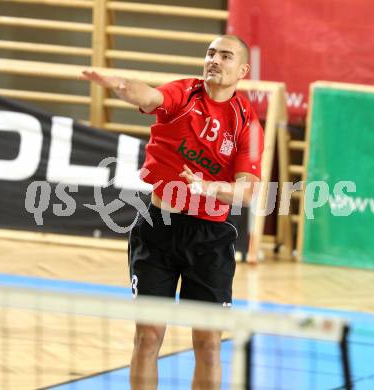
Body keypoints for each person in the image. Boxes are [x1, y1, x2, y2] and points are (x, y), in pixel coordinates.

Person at [81, 34, 264, 390]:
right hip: (157, 230)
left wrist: (209, 187)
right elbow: (149, 96)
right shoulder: (185, 93)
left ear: (242, 69)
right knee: (148, 337)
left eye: (225, 56)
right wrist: (119, 84)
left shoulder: (246, 124)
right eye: (210, 53)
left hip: (209, 239)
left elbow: (247, 192)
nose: (214, 60)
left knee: (209, 345)